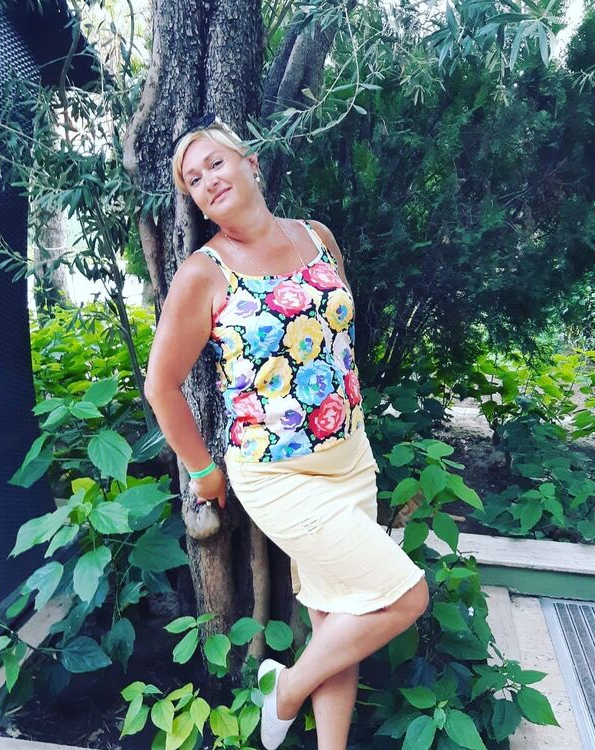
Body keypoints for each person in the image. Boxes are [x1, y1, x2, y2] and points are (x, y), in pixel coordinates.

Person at [144, 113, 430, 750]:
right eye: (194, 179)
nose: (208, 180)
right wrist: (202, 470)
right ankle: (287, 690)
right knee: (404, 597)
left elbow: (340, 328)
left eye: (216, 162)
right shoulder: (204, 273)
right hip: (277, 474)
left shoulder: (317, 236)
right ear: (196, 202)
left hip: (349, 458)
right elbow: (161, 386)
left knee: (342, 616)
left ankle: (313, 720)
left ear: (250, 163)